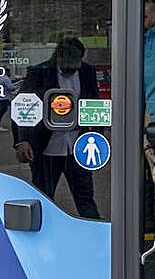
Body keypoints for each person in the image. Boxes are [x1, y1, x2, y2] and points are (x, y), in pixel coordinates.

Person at [13, 38, 101, 219]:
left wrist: (97, 136)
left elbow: (94, 104)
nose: (72, 70)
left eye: (76, 65)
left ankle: (95, 230)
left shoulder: (87, 72)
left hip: (79, 145)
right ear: (58, 57)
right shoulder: (39, 72)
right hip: (46, 146)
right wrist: (22, 141)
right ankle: (41, 233)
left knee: (85, 196)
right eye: (68, 65)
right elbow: (23, 107)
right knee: (43, 196)